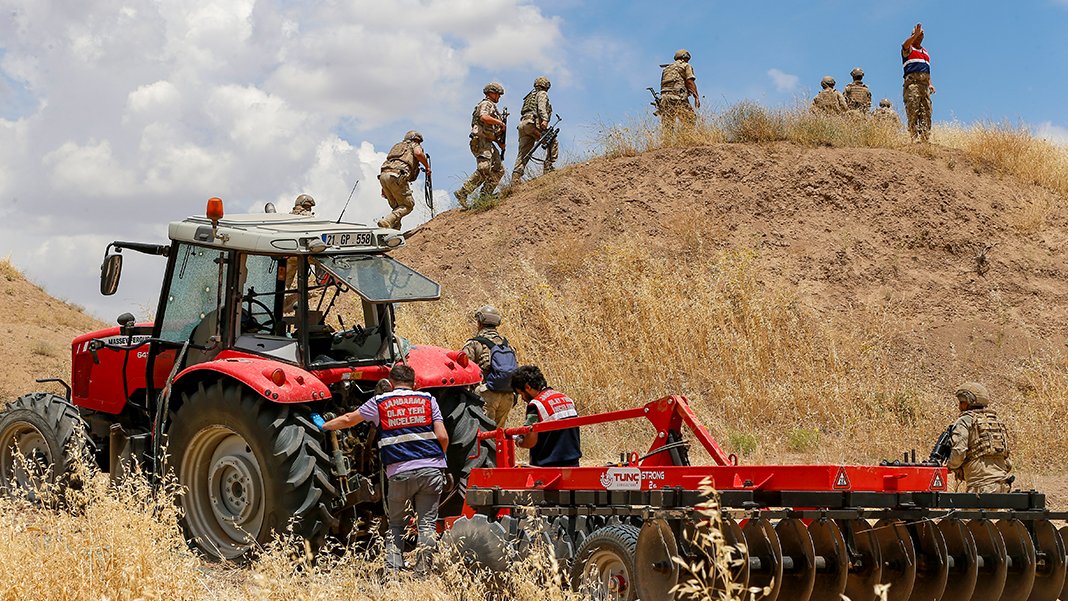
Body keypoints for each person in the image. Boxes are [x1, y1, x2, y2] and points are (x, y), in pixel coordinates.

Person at [319, 364, 448, 575]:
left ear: (390, 383)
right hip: (432, 471)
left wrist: (324, 426)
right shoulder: (428, 400)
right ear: (414, 384)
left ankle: (393, 571)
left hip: (400, 473)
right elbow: (442, 436)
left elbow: (349, 419)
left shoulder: (381, 401)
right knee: (427, 525)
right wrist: (437, 460)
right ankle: (423, 571)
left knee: (396, 524)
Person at [946, 382, 1013, 494]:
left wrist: (950, 466)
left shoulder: (965, 421)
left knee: (969, 512)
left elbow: (959, 451)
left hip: (980, 487)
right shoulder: (995, 421)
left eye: (961, 402)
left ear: (967, 403)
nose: (959, 406)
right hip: (1002, 485)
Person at [511, 365, 581, 468]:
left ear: (527, 387)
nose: (522, 398)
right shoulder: (566, 398)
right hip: (573, 464)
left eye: (521, 393)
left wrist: (519, 442)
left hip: (548, 467)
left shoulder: (535, 405)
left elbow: (530, 442)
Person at [461, 305, 518, 428]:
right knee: (499, 434)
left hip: (487, 393)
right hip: (508, 395)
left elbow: (463, 368)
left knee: (485, 434)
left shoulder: (474, 343)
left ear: (480, 322)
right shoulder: (507, 344)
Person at [455, 83, 507, 208]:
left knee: (499, 170)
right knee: (484, 168)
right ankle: (463, 192)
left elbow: (490, 131)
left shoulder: (493, 107)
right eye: (498, 94)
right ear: (491, 93)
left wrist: (500, 143)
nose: (499, 97)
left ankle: (485, 195)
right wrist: (500, 122)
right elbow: (483, 117)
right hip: (481, 141)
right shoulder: (486, 104)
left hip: (488, 142)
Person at [378, 130, 430, 230]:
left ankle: (393, 233)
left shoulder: (397, 147)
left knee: (398, 207)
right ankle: (387, 221)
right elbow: (418, 153)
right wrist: (427, 167)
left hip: (383, 177)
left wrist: (384, 187)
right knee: (408, 205)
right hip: (397, 176)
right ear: (416, 140)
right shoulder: (414, 145)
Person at [511, 76, 557, 182]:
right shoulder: (542, 94)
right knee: (552, 141)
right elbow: (541, 108)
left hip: (523, 125)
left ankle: (515, 180)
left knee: (523, 153)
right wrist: (545, 120)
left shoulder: (529, 96)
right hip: (532, 124)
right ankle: (548, 168)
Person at [902, 23, 935, 142]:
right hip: (913, 85)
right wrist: (914, 36)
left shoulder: (925, 52)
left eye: (921, 35)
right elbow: (904, 45)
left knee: (926, 112)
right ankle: (914, 138)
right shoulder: (909, 48)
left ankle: (925, 138)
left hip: (924, 86)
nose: (920, 37)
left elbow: (926, 70)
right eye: (918, 35)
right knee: (913, 110)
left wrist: (930, 84)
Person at [658, 49, 700, 138]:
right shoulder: (686, 66)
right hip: (678, 97)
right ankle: (687, 140)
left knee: (668, 123)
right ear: (686, 57)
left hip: (664, 98)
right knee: (690, 119)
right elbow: (689, 81)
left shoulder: (667, 69)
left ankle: (666, 144)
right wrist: (696, 97)